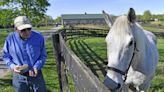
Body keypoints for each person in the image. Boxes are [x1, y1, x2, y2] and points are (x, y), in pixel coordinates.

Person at [2, 16, 47, 92]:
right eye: (23, 30)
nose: (27, 32)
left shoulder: (39, 37)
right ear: (16, 29)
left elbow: (43, 55)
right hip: (19, 76)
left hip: (36, 74)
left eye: (29, 29)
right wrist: (13, 66)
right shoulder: (10, 39)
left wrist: (36, 66)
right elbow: (6, 56)